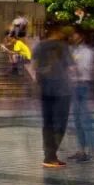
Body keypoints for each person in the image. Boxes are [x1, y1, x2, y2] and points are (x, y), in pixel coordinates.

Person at [33, 19, 74, 169]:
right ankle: (51, 155)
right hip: (62, 89)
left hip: (46, 89)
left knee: (48, 123)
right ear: (57, 30)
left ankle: (49, 155)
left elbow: (34, 66)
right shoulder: (62, 46)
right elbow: (71, 67)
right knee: (60, 123)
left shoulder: (39, 46)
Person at [70, 28, 94, 163]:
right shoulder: (74, 51)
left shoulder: (86, 52)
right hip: (74, 85)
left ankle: (90, 151)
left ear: (80, 36)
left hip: (82, 85)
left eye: (74, 35)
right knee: (77, 120)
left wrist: (73, 67)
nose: (72, 37)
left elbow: (84, 69)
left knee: (85, 119)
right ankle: (81, 149)